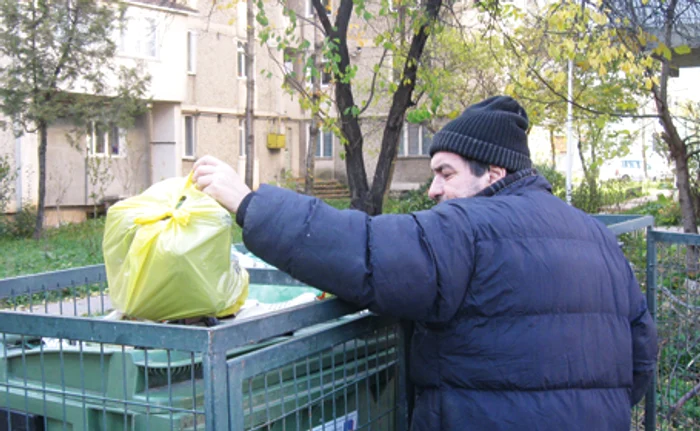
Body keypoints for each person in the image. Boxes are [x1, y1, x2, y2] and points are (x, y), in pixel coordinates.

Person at [193, 96, 657, 431]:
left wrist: (249, 204)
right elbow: (641, 356)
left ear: (493, 172)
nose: (433, 189)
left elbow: (366, 251)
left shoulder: (468, 228)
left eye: (446, 173)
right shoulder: (597, 236)